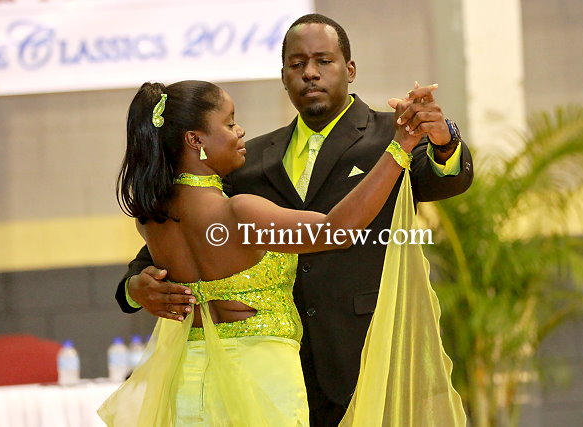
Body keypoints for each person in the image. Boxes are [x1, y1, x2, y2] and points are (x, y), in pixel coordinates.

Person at [115, 13, 473, 426]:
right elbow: (187, 232)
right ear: (283, 76)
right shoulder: (245, 160)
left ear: (350, 69)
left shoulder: (387, 133)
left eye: (324, 60)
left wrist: (443, 142)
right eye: (297, 63)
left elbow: (444, 180)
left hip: (367, 353)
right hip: (276, 370)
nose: (310, 73)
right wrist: (133, 286)